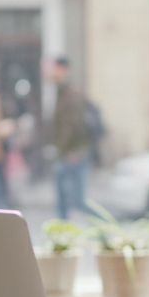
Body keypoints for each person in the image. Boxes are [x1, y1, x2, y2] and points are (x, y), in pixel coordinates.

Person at [47, 56, 93, 220]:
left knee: (75, 201)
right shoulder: (62, 92)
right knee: (66, 201)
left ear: (61, 70)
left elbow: (72, 125)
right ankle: (63, 234)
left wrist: (67, 151)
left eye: (51, 68)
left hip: (72, 154)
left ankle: (106, 227)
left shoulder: (69, 93)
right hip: (69, 152)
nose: (48, 72)